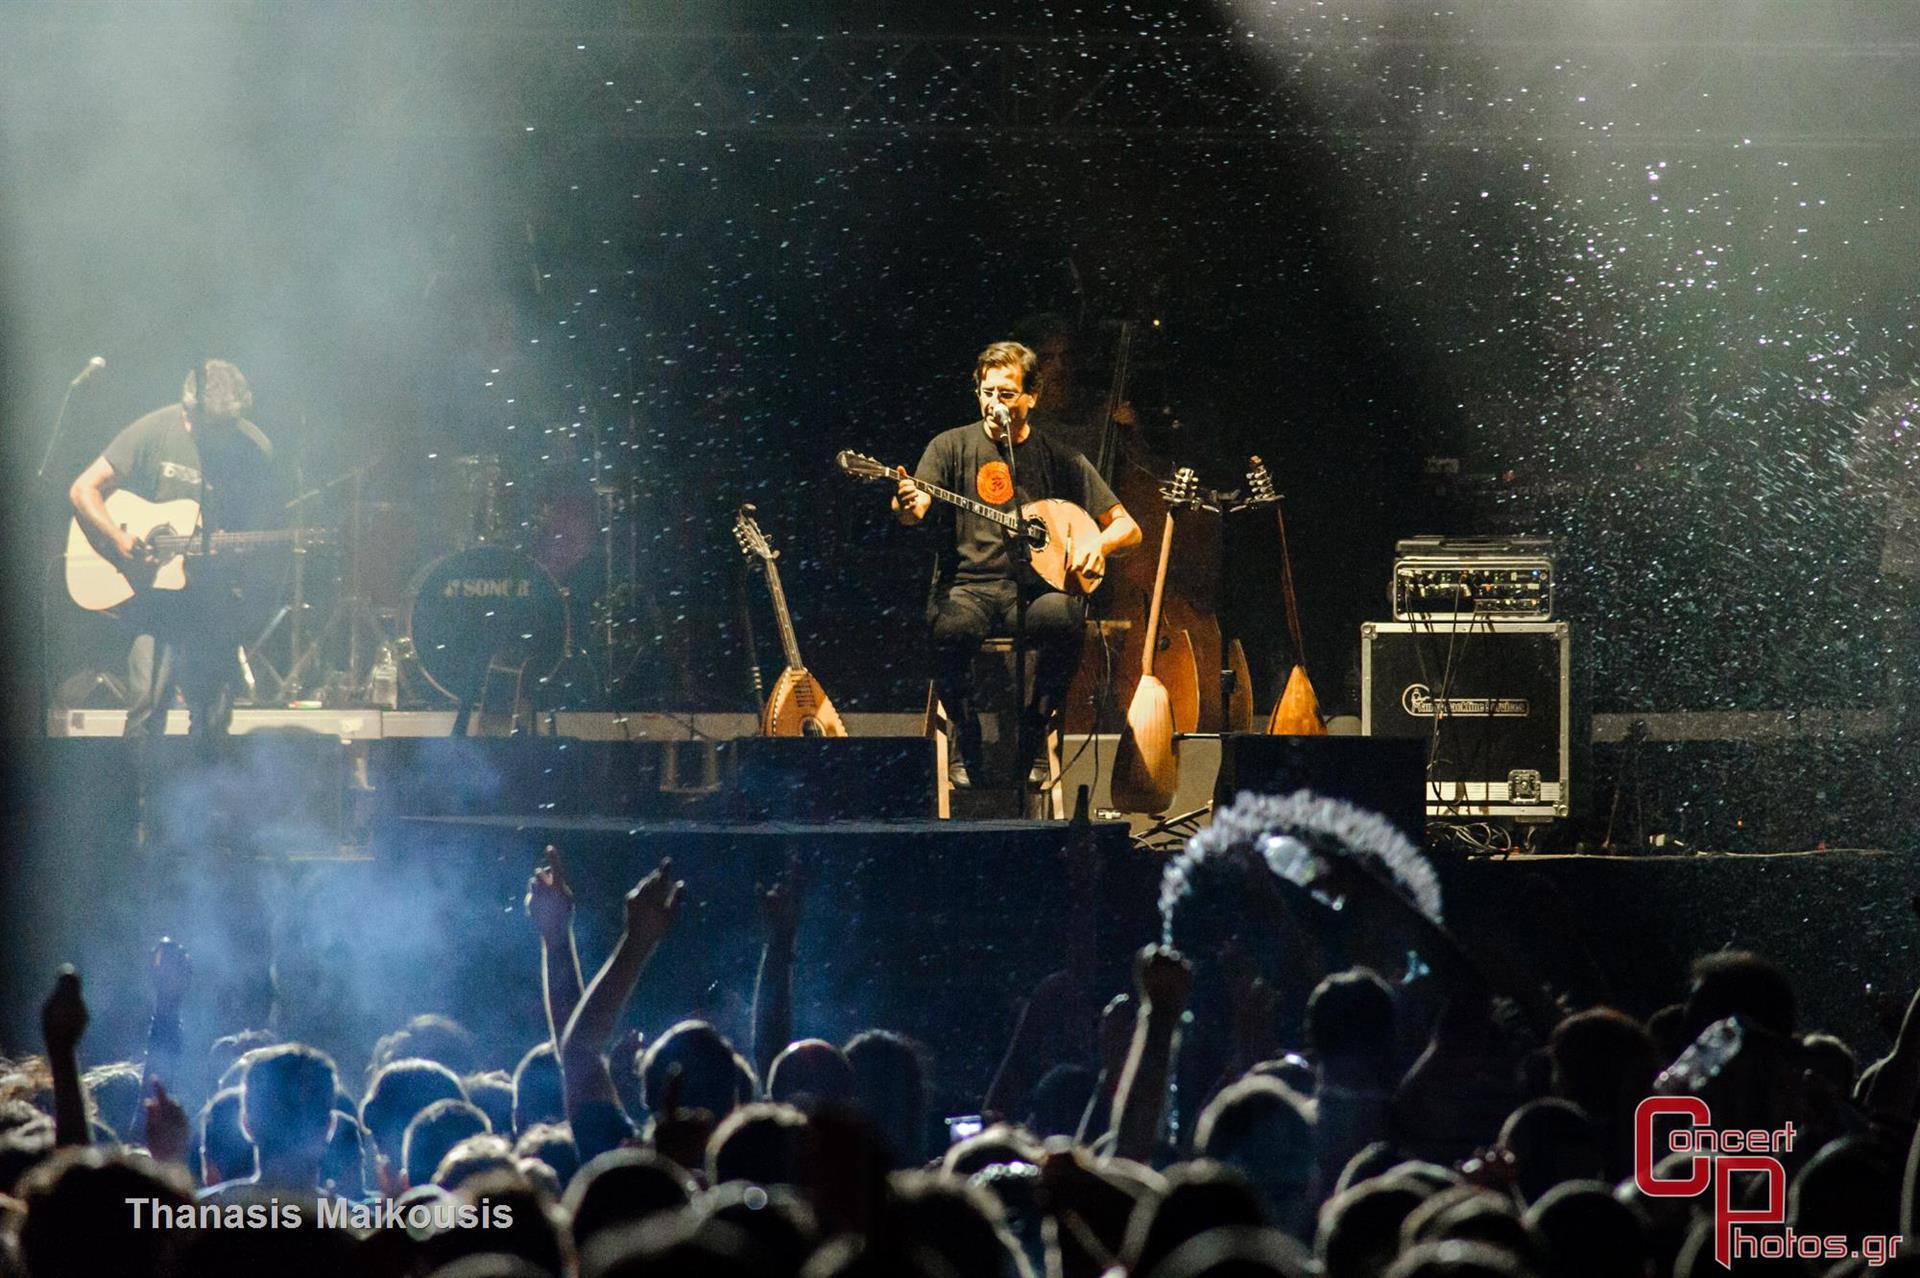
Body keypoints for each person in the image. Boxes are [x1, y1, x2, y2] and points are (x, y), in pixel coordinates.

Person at [893, 340, 1140, 787]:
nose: (994, 404)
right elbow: (915, 509)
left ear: (1032, 396)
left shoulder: (1059, 456)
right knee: (949, 628)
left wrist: (1097, 547)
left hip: (1033, 590)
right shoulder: (949, 447)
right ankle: (965, 737)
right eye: (986, 392)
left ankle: (1035, 727)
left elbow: (1128, 527)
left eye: (1006, 394)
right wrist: (908, 503)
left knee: (1067, 618)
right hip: (967, 586)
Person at [69, 359, 279, 745]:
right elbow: (83, 489)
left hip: (211, 597)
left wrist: (233, 554)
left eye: (222, 426)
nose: (192, 427)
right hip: (153, 596)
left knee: (213, 714)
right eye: (196, 420)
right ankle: (142, 799)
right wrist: (117, 539)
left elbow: (253, 532)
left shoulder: (254, 452)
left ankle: (205, 800)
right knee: (146, 707)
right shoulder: (154, 430)